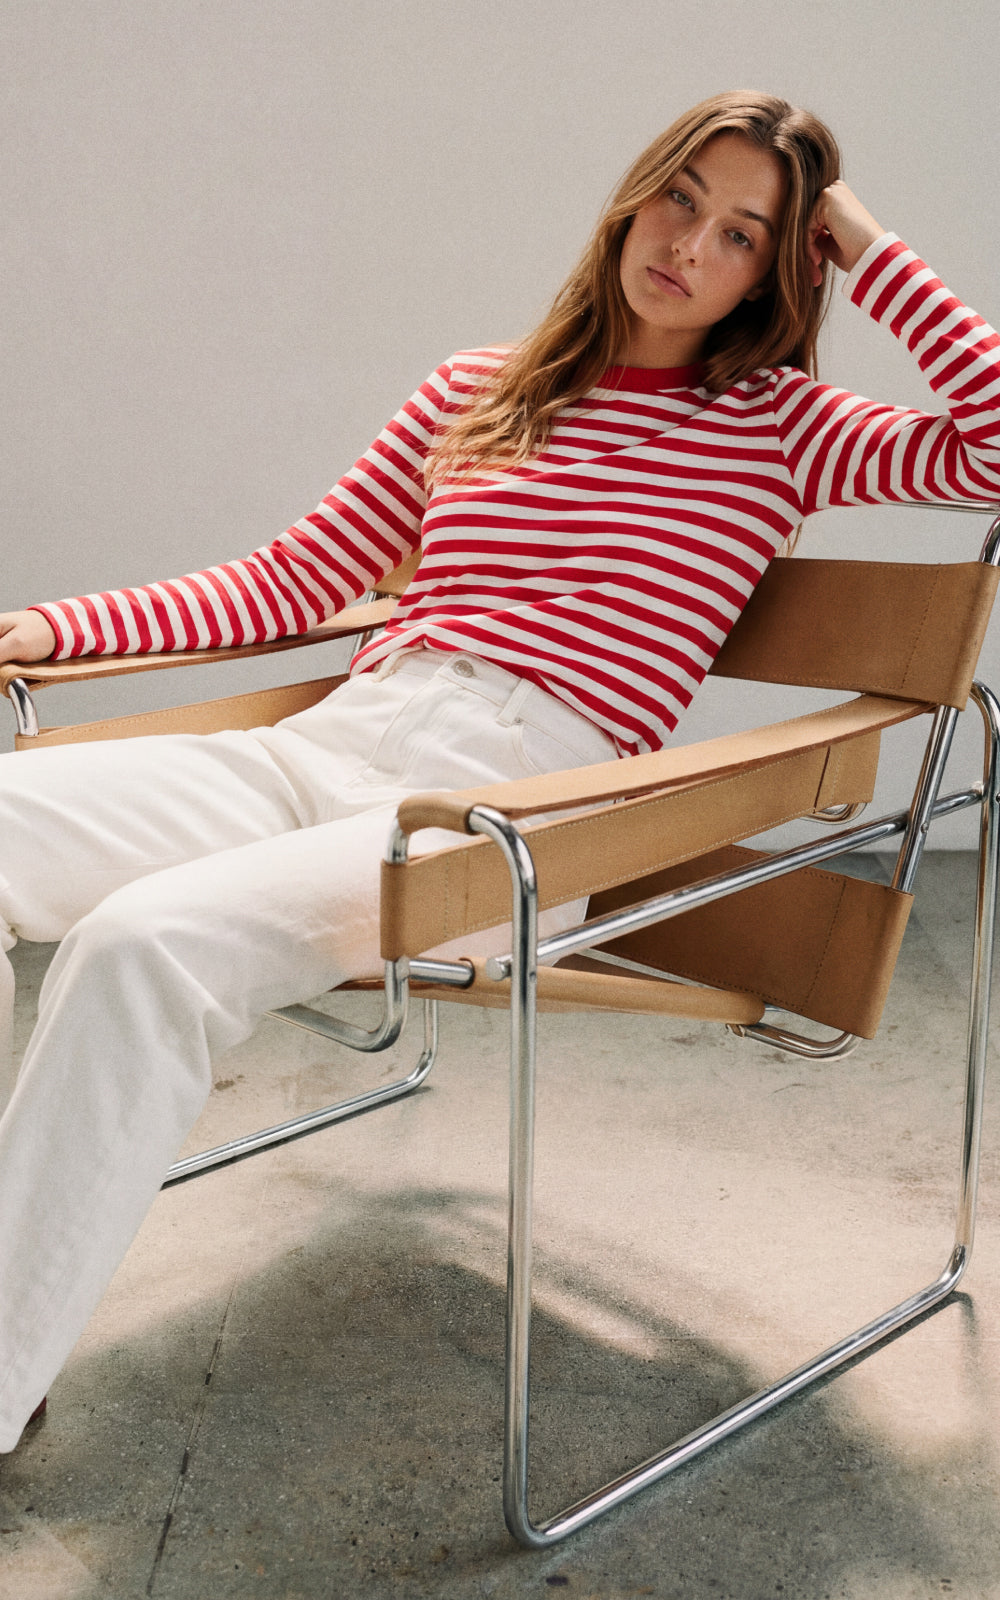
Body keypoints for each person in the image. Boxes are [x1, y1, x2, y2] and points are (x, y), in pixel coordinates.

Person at [1, 88, 998, 1453]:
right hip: (337, 740)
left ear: (782, 268)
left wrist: (868, 245)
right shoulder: (483, 386)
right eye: (682, 199)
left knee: (138, 947)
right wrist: (55, 628)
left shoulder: (783, 426)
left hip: (515, 810)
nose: (690, 245)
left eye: (743, 233)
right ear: (633, 198)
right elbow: (296, 576)